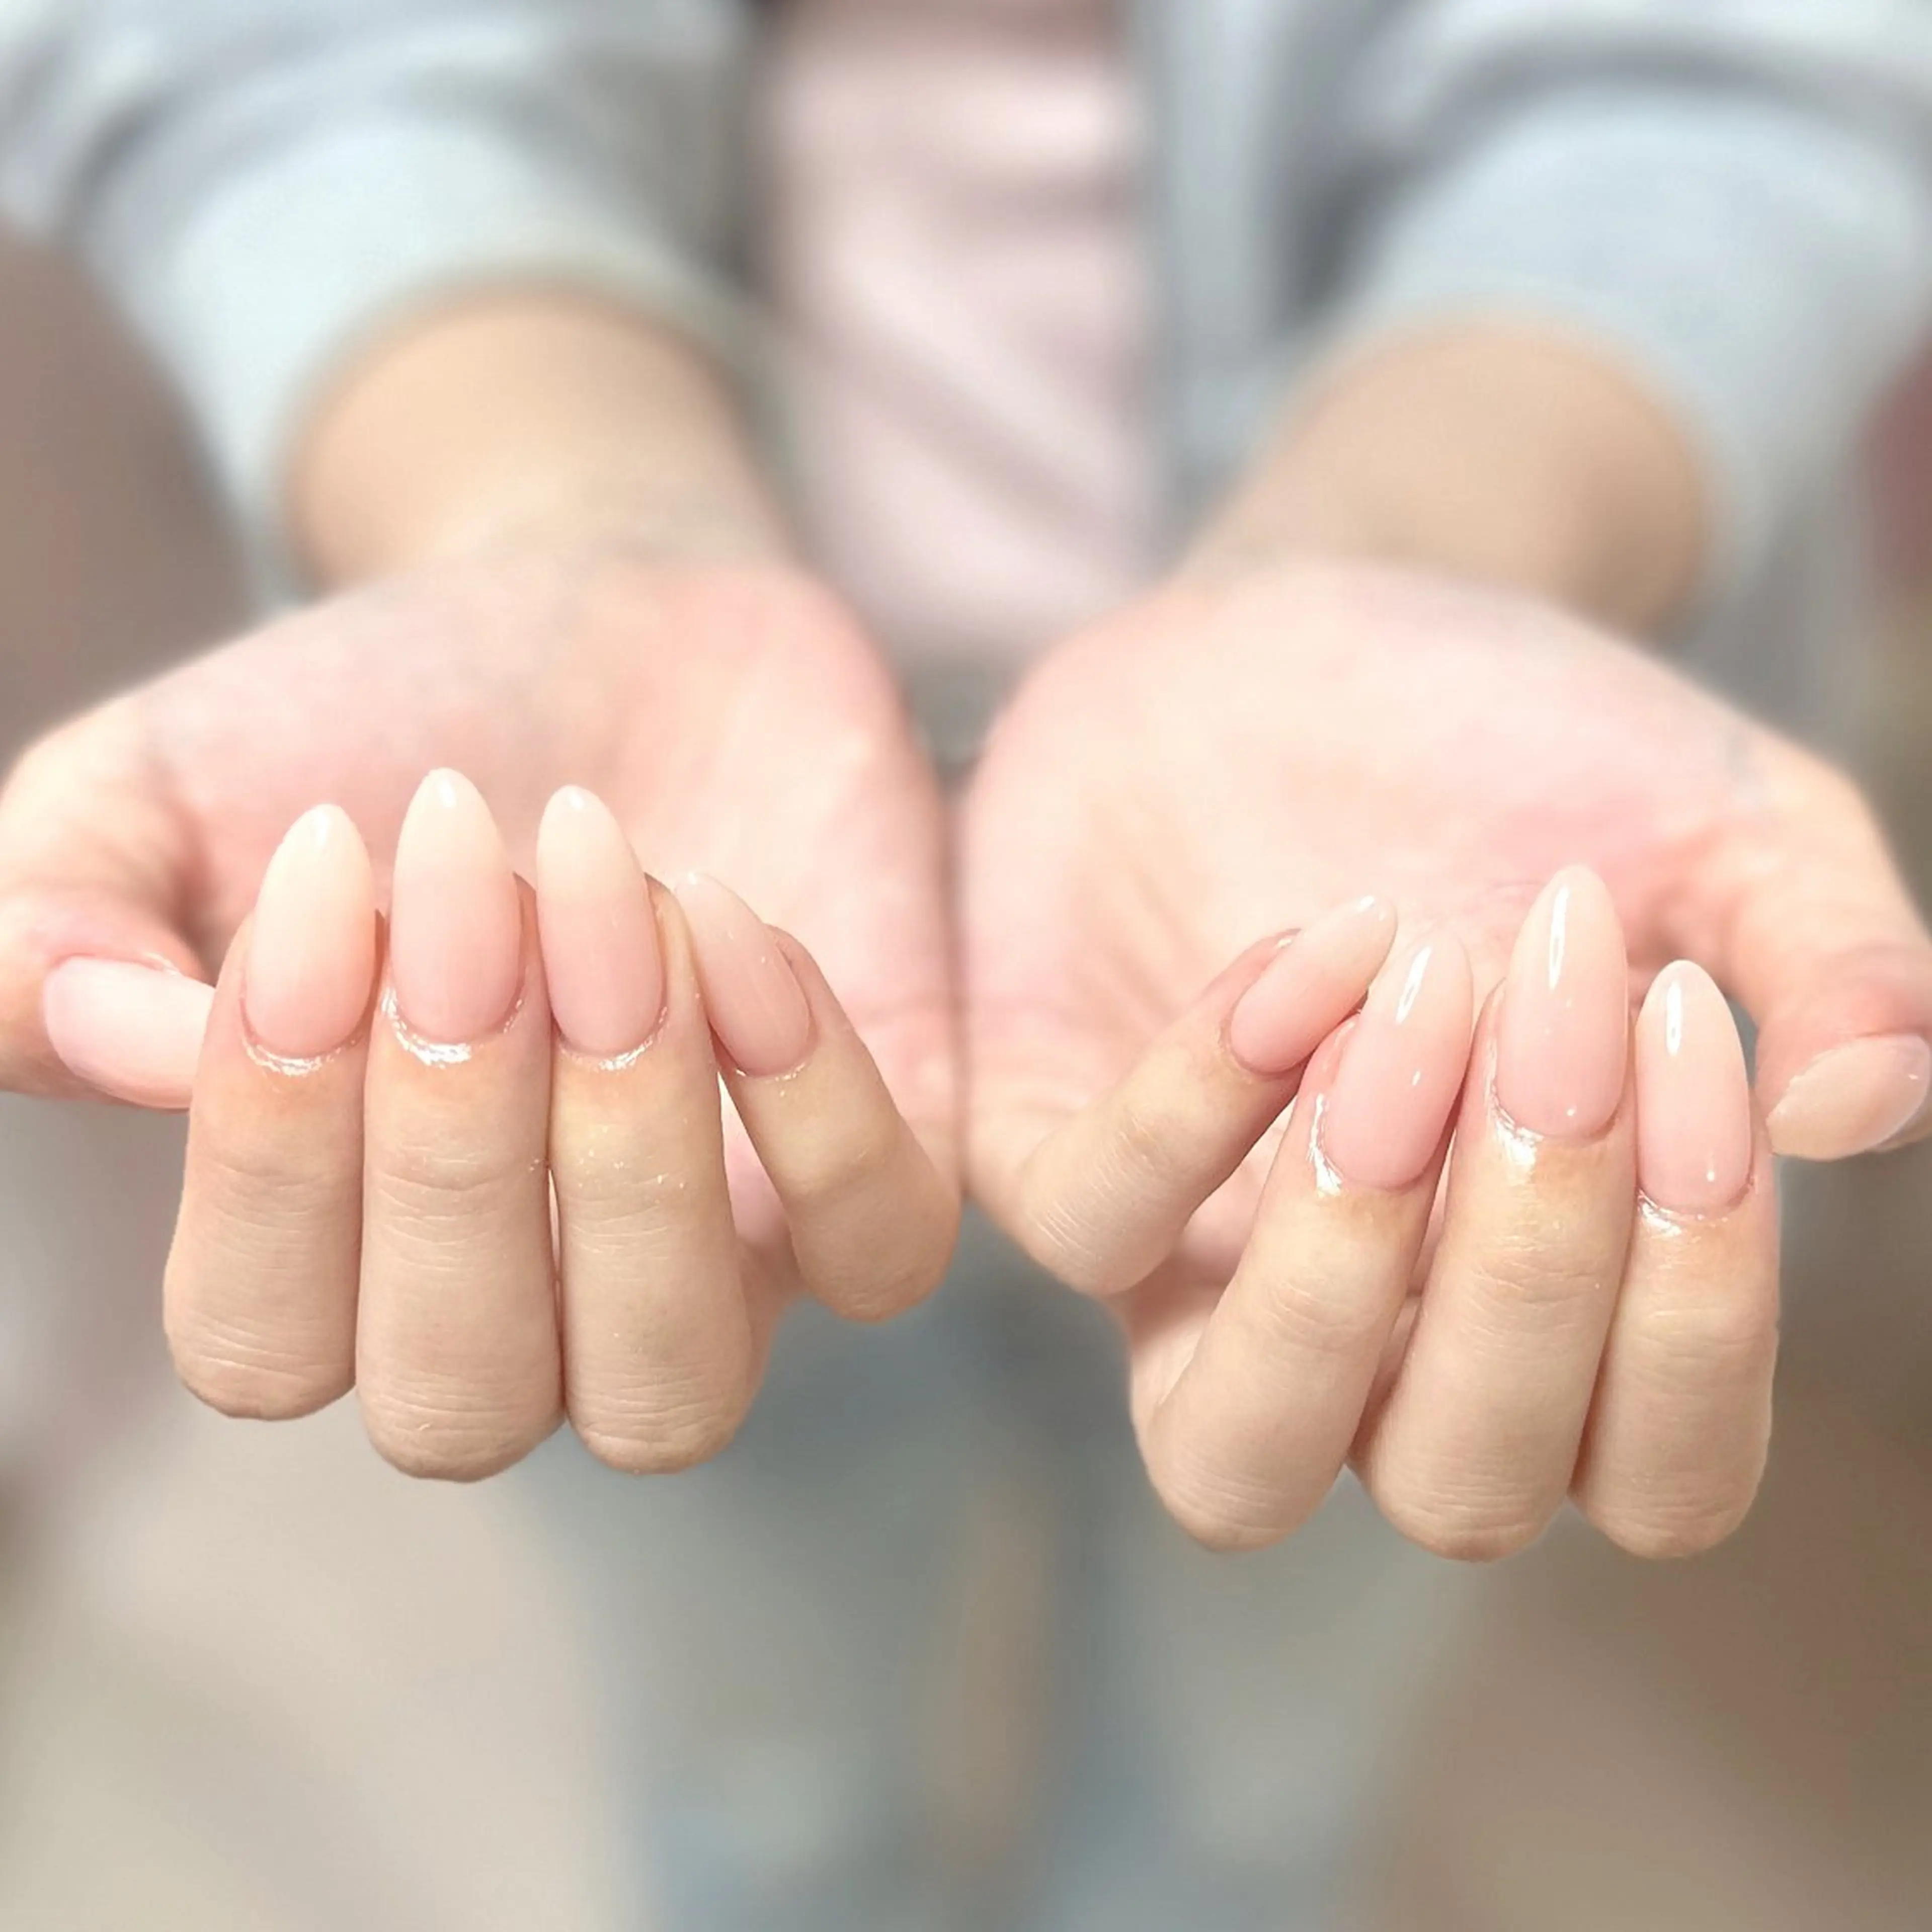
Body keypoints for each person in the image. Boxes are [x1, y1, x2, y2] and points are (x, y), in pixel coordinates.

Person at [1, 1, 1931, 1923]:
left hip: (1417, 883)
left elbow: (1739, 58)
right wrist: (552, 506)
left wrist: (1410, 542)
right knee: (767, 1786)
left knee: (1250, 1795)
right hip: (639, 915)